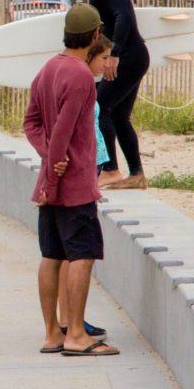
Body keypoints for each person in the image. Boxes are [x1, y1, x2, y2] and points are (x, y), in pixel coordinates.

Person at [24, 4, 118, 358]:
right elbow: (63, 127)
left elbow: (31, 122)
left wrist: (48, 158)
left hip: (50, 183)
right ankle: (76, 334)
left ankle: (52, 333)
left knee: (51, 255)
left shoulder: (49, 67)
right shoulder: (79, 74)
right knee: (82, 254)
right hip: (73, 182)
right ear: (95, 36)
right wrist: (58, 162)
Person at [59, 0, 149, 190]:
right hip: (135, 56)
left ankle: (110, 170)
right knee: (119, 115)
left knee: (99, 108)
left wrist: (114, 55)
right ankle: (137, 174)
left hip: (129, 57)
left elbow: (125, 18)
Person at [55, 34, 113, 342]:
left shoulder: (84, 81)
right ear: (90, 55)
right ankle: (70, 322)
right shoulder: (79, 83)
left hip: (92, 163)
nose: (107, 64)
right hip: (83, 168)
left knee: (68, 250)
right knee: (75, 250)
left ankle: (69, 319)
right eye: (103, 58)